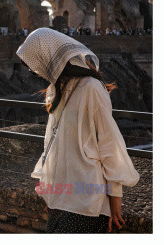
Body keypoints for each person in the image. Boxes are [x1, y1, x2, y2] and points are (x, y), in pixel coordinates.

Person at [16, 27, 139, 233]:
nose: (36, 71)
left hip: (86, 200)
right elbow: (54, 144)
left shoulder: (91, 87)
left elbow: (109, 143)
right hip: (59, 197)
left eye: (35, 65)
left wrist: (115, 198)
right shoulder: (57, 89)